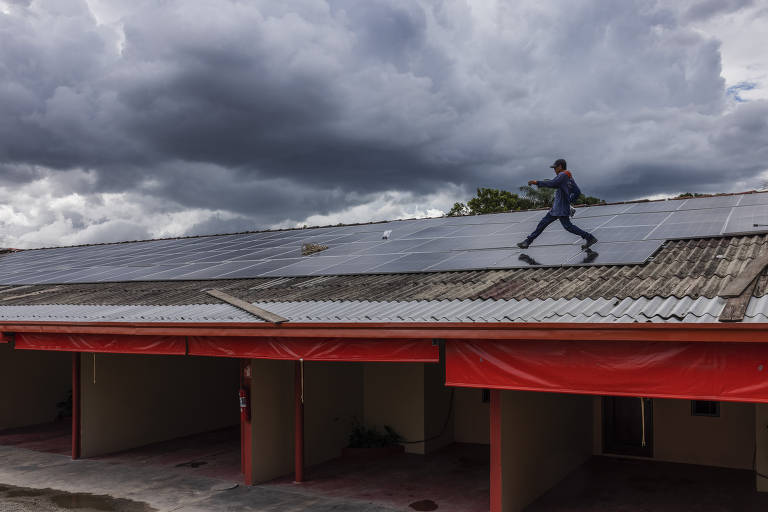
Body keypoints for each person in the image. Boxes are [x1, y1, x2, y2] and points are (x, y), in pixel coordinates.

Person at [517, 158, 598, 250]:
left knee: (567, 227)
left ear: (560, 166)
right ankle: (527, 242)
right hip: (558, 208)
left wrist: (537, 182)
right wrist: (569, 201)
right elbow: (577, 192)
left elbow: (553, 183)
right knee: (544, 224)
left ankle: (590, 237)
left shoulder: (563, 175)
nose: (554, 170)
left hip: (560, 209)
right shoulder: (569, 178)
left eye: (555, 168)